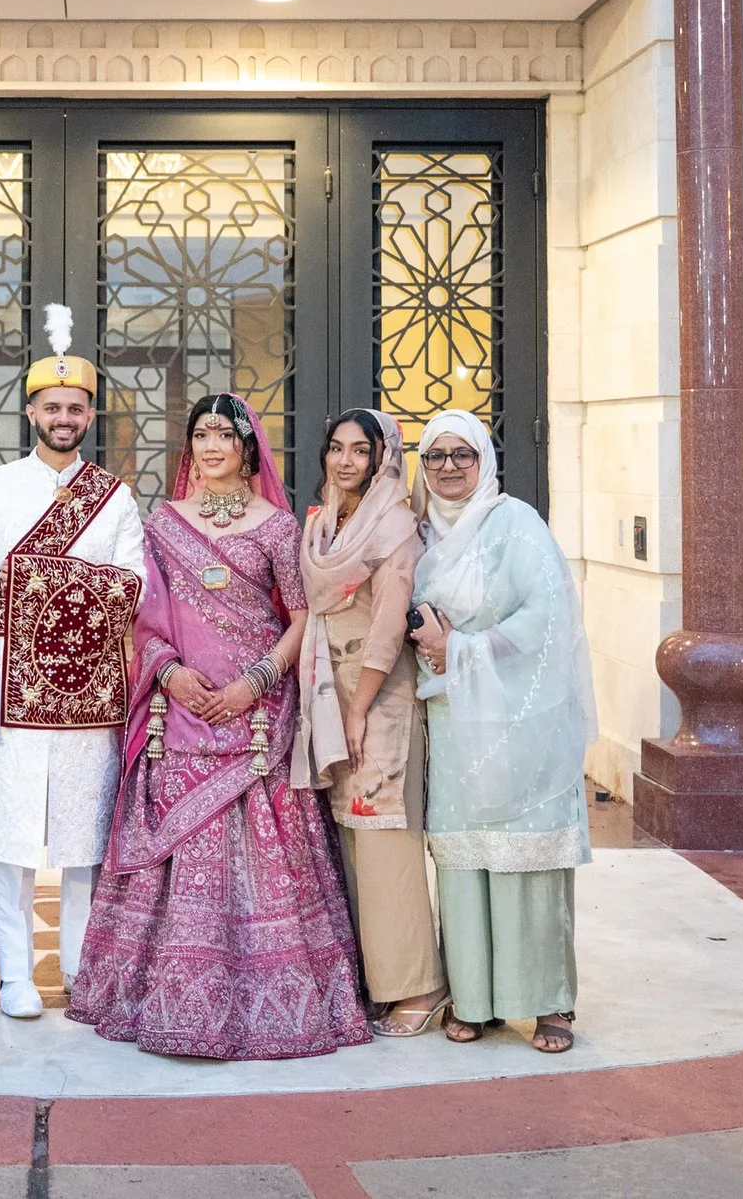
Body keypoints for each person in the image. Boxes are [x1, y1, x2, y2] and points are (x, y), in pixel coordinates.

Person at [70, 395, 372, 1059]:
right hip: (176, 711)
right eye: (200, 434)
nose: (211, 446)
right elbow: (142, 616)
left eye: (223, 435)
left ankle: (267, 1004)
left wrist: (254, 683)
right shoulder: (162, 523)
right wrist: (171, 673)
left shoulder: (276, 526)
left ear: (246, 447)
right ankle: (165, 998)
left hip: (254, 718)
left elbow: (302, 618)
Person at [0, 305, 147, 1019]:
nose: (64, 416)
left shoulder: (116, 495)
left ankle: (77, 967)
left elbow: (137, 585)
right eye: (52, 405)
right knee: (9, 838)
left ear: (90, 415)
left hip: (87, 690)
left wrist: (57, 595)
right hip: (10, 686)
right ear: (32, 409)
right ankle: (13, 975)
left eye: (76, 407)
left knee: (81, 839)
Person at [406, 410, 594, 1052]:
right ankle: (476, 998)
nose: (449, 467)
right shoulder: (417, 534)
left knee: (527, 857)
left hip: (521, 718)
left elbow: (547, 620)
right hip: (453, 719)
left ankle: (548, 1003)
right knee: (462, 859)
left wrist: (459, 647)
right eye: (435, 456)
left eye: (463, 454)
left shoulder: (516, 525)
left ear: (485, 460)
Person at [296, 407, 443, 1036]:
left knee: (385, 834)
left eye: (360, 450)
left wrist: (359, 708)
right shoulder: (327, 522)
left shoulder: (394, 524)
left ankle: (420, 985)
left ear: (383, 457)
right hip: (329, 689)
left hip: (378, 697)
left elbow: (389, 620)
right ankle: (380, 979)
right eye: (336, 448)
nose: (345, 461)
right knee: (352, 838)